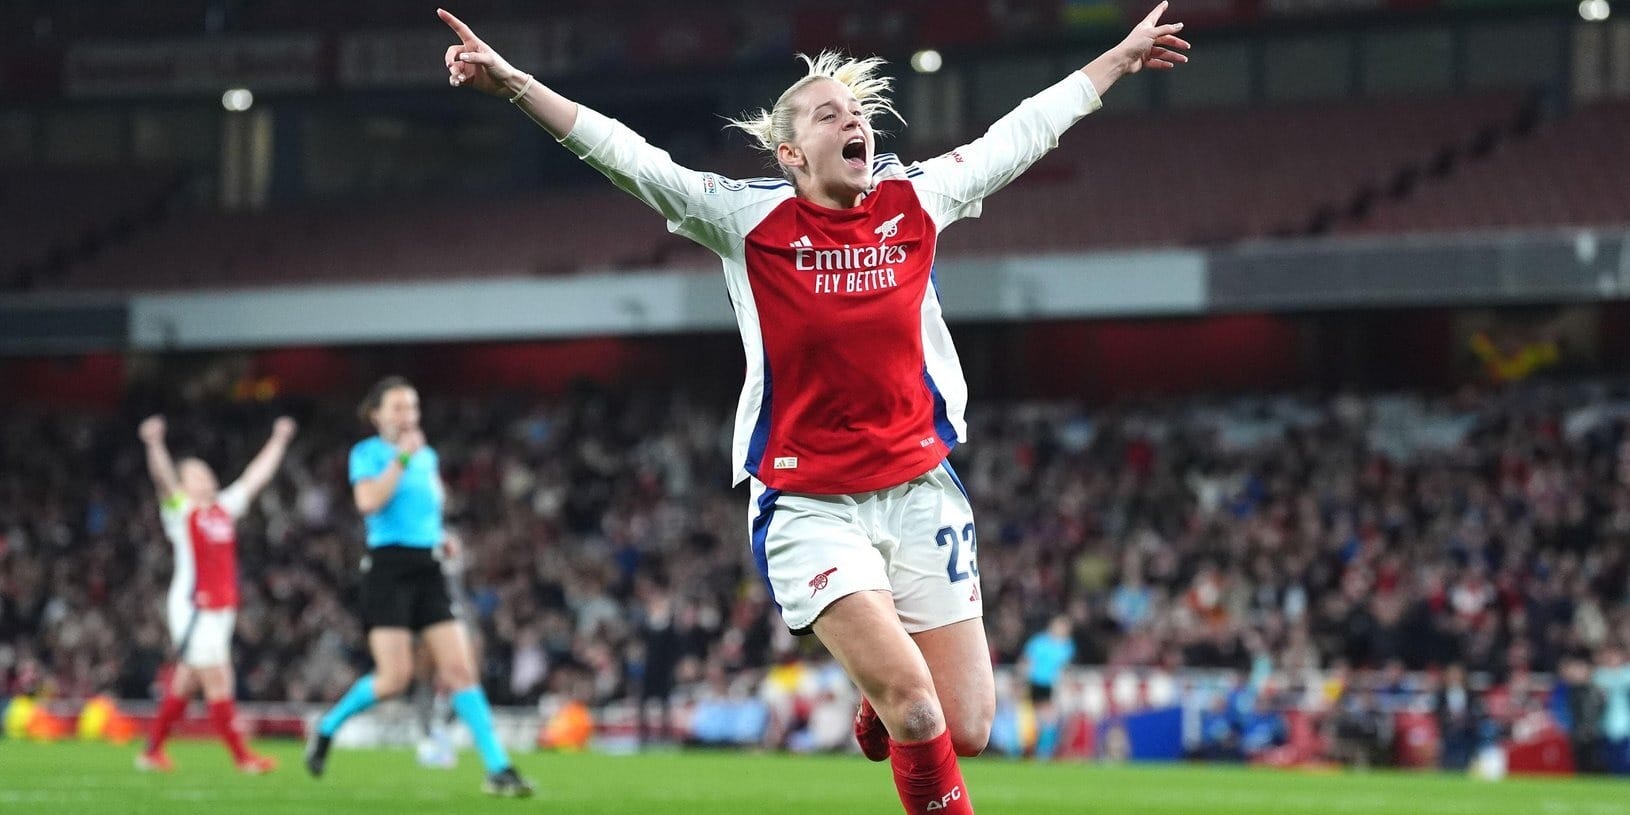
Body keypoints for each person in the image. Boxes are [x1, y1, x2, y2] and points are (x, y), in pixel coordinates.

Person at [440, 5, 1188, 813]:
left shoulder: (914, 200)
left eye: (858, 110)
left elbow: (1021, 132)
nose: (855, 119)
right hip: (808, 504)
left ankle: (877, 688)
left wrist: (1116, 61)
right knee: (920, 707)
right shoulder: (748, 218)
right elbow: (628, 155)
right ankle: (891, 691)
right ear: (792, 152)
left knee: (967, 725)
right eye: (830, 114)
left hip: (918, 489)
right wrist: (512, 84)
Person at [304, 377, 533, 797]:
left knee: (460, 670)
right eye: (397, 407)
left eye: (412, 407)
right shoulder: (369, 453)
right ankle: (328, 726)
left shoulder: (427, 456)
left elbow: (425, 511)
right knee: (394, 679)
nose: (407, 415)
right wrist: (402, 461)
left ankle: (498, 768)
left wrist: (441, 536)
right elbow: (368, 502)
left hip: (428, 567)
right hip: (387, 569)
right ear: (376, 414)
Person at [135, 414, 294, 774]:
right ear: (185, 483)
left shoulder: (224, 507)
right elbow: (162, 480)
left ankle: (151, 751)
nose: (206, 477)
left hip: (222, 607)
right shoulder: (181, 511)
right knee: (219, 679)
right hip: (195, 606)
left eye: (207, 472)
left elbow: (255, 477)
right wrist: (155, 444)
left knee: (185, 682)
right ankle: (243, 758)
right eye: (196, 474)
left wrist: (279, 440)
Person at [1019, 615, 1074, 759]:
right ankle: (1031, 750)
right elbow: (1026, 661)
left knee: (1049, 720)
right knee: (1035, 720)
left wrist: (1063, 685)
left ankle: (1043, 752)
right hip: (1036, 683)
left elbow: (1064, 669)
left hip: (1051, 686)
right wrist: (1024, 679)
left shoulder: (1066, 647)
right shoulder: (1039, 642)